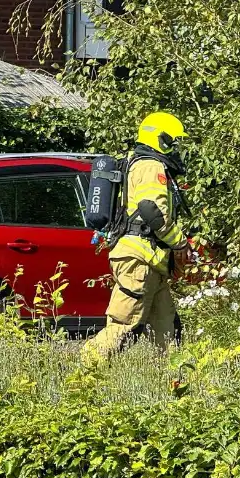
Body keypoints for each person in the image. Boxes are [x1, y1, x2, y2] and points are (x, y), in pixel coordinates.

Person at [82, 111, 191, 366]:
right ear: (160, 139)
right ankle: (85, 373)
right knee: (123, 326)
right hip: (139, 261)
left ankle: (176, 378)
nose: (175, 148)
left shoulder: (138, 162)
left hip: (151, 262)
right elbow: (152, 210)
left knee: (167, 329)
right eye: (172, 141)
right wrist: (180, 242)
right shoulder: (151, 166)